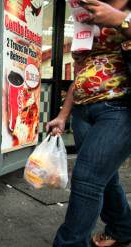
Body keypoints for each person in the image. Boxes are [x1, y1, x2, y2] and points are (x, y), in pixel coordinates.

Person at [47, 0, 131, 246]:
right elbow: (81, 73)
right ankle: (124, 227)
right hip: (83, 110)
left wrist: (120, 20)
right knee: (106, 176)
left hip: (119, 107)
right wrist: (63, 116)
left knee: (86, 177)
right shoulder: (85, 17)